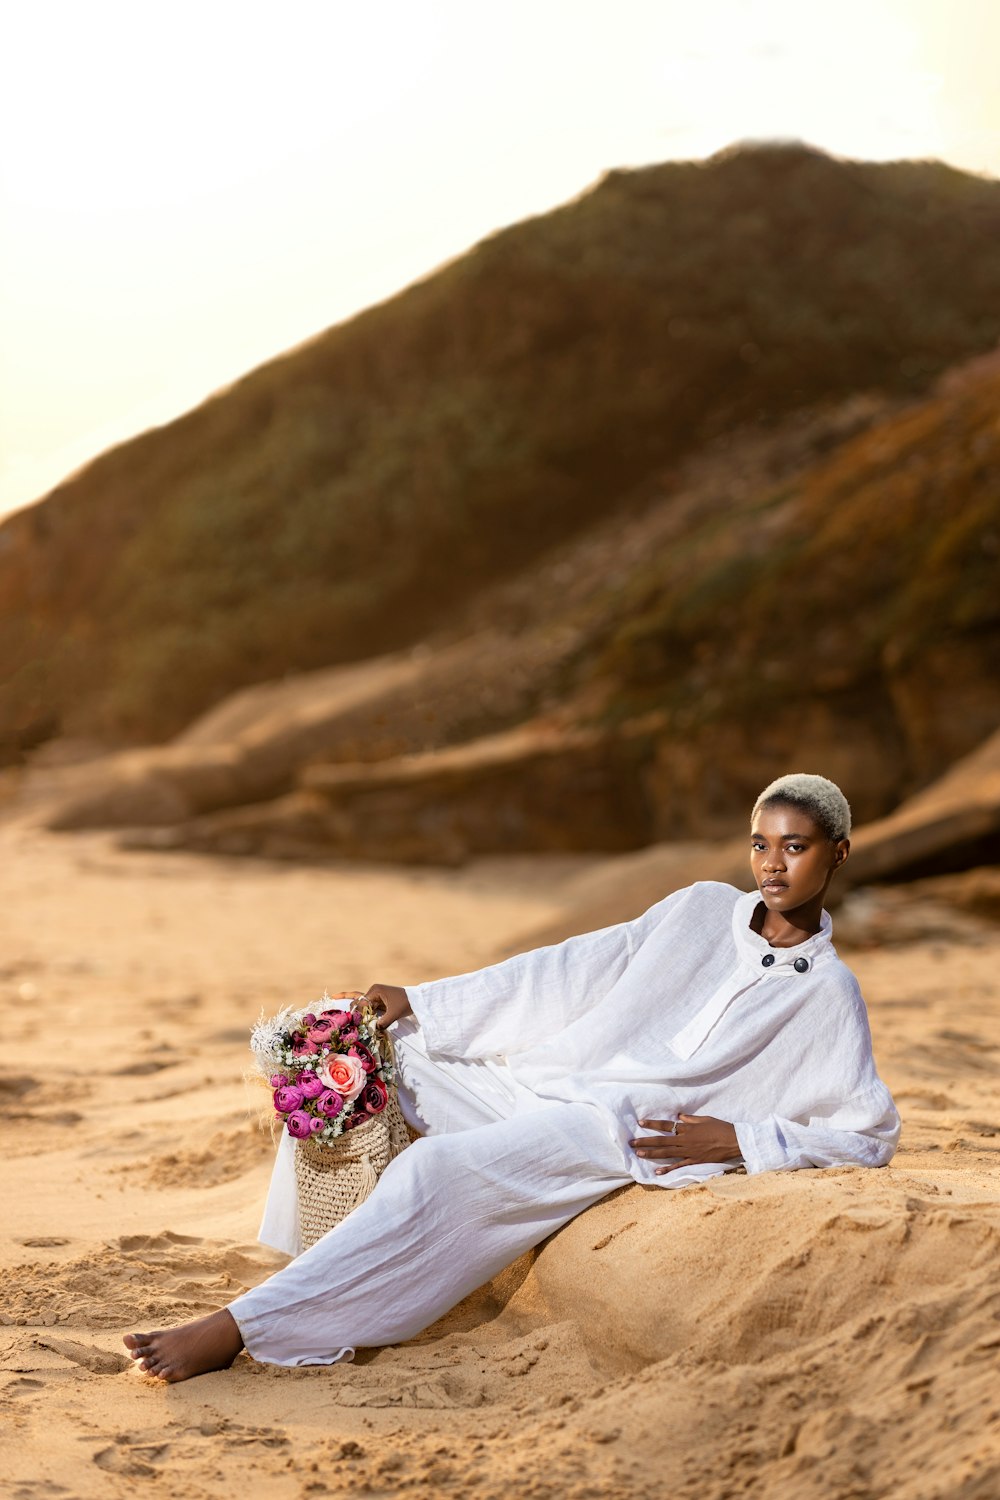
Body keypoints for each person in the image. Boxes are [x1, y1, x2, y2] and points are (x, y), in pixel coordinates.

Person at [124, 772, 899, 1381]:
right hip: (544, 1078)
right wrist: (423, 1003)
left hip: (611, 1130)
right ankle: (314, 1255)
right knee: (354, 1045)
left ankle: (240, 1330)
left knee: (438, 1170)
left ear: (837, 853)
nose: (772, 863)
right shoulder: (699, 908)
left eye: (794, 847)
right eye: (761, 844)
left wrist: (739, 1136)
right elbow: (572, 969)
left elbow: (864, 1134)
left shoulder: (827, 992)